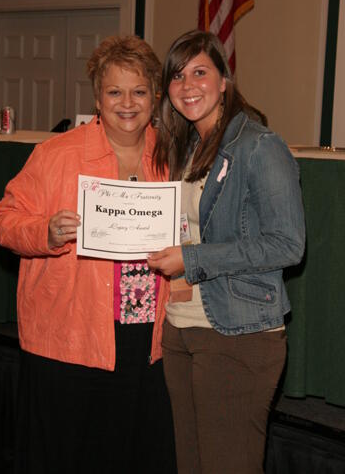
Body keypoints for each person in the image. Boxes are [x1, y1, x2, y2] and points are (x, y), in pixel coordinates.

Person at [0, 35, 177, 474]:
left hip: (147, 337)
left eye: (138, 91)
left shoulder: (171, 155)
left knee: (132, 452)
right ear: (97, 97)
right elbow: (4, 218)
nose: (127, 103)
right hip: (71, 335)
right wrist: (46, 231)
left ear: (153, 95)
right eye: (115, 91)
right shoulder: (56, 154)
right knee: (70, 454)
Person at [148, 29, 305, 474]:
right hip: (181, 329)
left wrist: (192, 259)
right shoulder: (188, 147)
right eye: (177, 76)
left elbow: (288, 244)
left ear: (224, 80)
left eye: (200, 72)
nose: (188, 85)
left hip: (239, 334)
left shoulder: (259, 146)